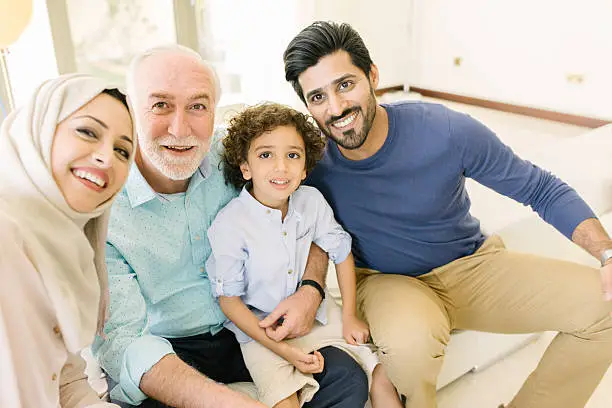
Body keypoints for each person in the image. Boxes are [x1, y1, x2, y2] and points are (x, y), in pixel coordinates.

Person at [282, 21, 612, 408]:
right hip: (388, 282)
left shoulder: (446, 131)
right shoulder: (311, 163)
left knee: (605, 309)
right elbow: (314, 234)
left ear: (373, 75)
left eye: (344, 84)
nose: (336, 108)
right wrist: (311, 290)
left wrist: (607, 253)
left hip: (472, 266)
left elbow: (539, 188)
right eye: (317, 97)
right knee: (410, 347)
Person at [92, 45, 369, 408]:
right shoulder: (104, 208)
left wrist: (311, 288)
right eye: (160, 105)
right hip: (169, 347)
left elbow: (310, 214)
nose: (180, 128)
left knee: (346, 379)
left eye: (198, 106)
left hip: (248, 326)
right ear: (129, 110)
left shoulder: (240, 151)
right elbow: (124, 340)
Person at [206, 102, 402, 408]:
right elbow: (228, 300)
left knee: (382, 371)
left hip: (318, 314)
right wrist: (285, 351)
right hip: (261, 329)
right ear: (246, 167)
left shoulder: (311, 201)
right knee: (284, 400)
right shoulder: (229, 224)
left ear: (305, 167)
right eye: (266, 155)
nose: (281, 167)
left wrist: (350, 315)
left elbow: (341, 251)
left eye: (293, 155)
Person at [0, 74, 136, 407]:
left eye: (122, 151)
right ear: (38, 130)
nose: (106, 158)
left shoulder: (69, 249)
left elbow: (65, 382)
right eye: (88, 132)